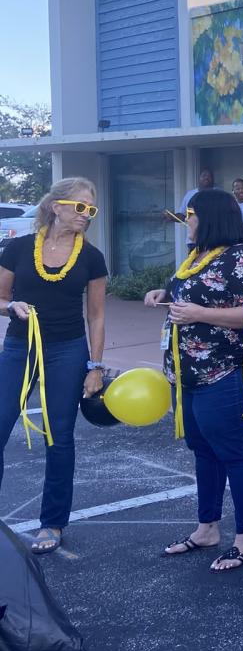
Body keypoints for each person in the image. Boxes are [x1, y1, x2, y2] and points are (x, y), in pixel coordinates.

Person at [145, 188, 243, 572]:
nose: (187, 221)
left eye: (192, 214)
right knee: (203, 451)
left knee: (235, 453)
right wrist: (163, 294)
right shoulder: (197, 255)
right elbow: (192, 292)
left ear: (210, 217)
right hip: (187, 374)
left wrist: (200, 313)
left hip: (225, 371)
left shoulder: (240, 258)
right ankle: (207, 529)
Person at [0, 179, 107, 554]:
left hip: (68, 350)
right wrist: (10, 306)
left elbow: (95, 316)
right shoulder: (17, 248)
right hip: (19, 347)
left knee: (58, 436)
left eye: (90, 210)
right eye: (80, 207)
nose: (85, 215)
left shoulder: (91, 257)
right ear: (56, 206)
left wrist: (95, 366)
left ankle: (53, 523)